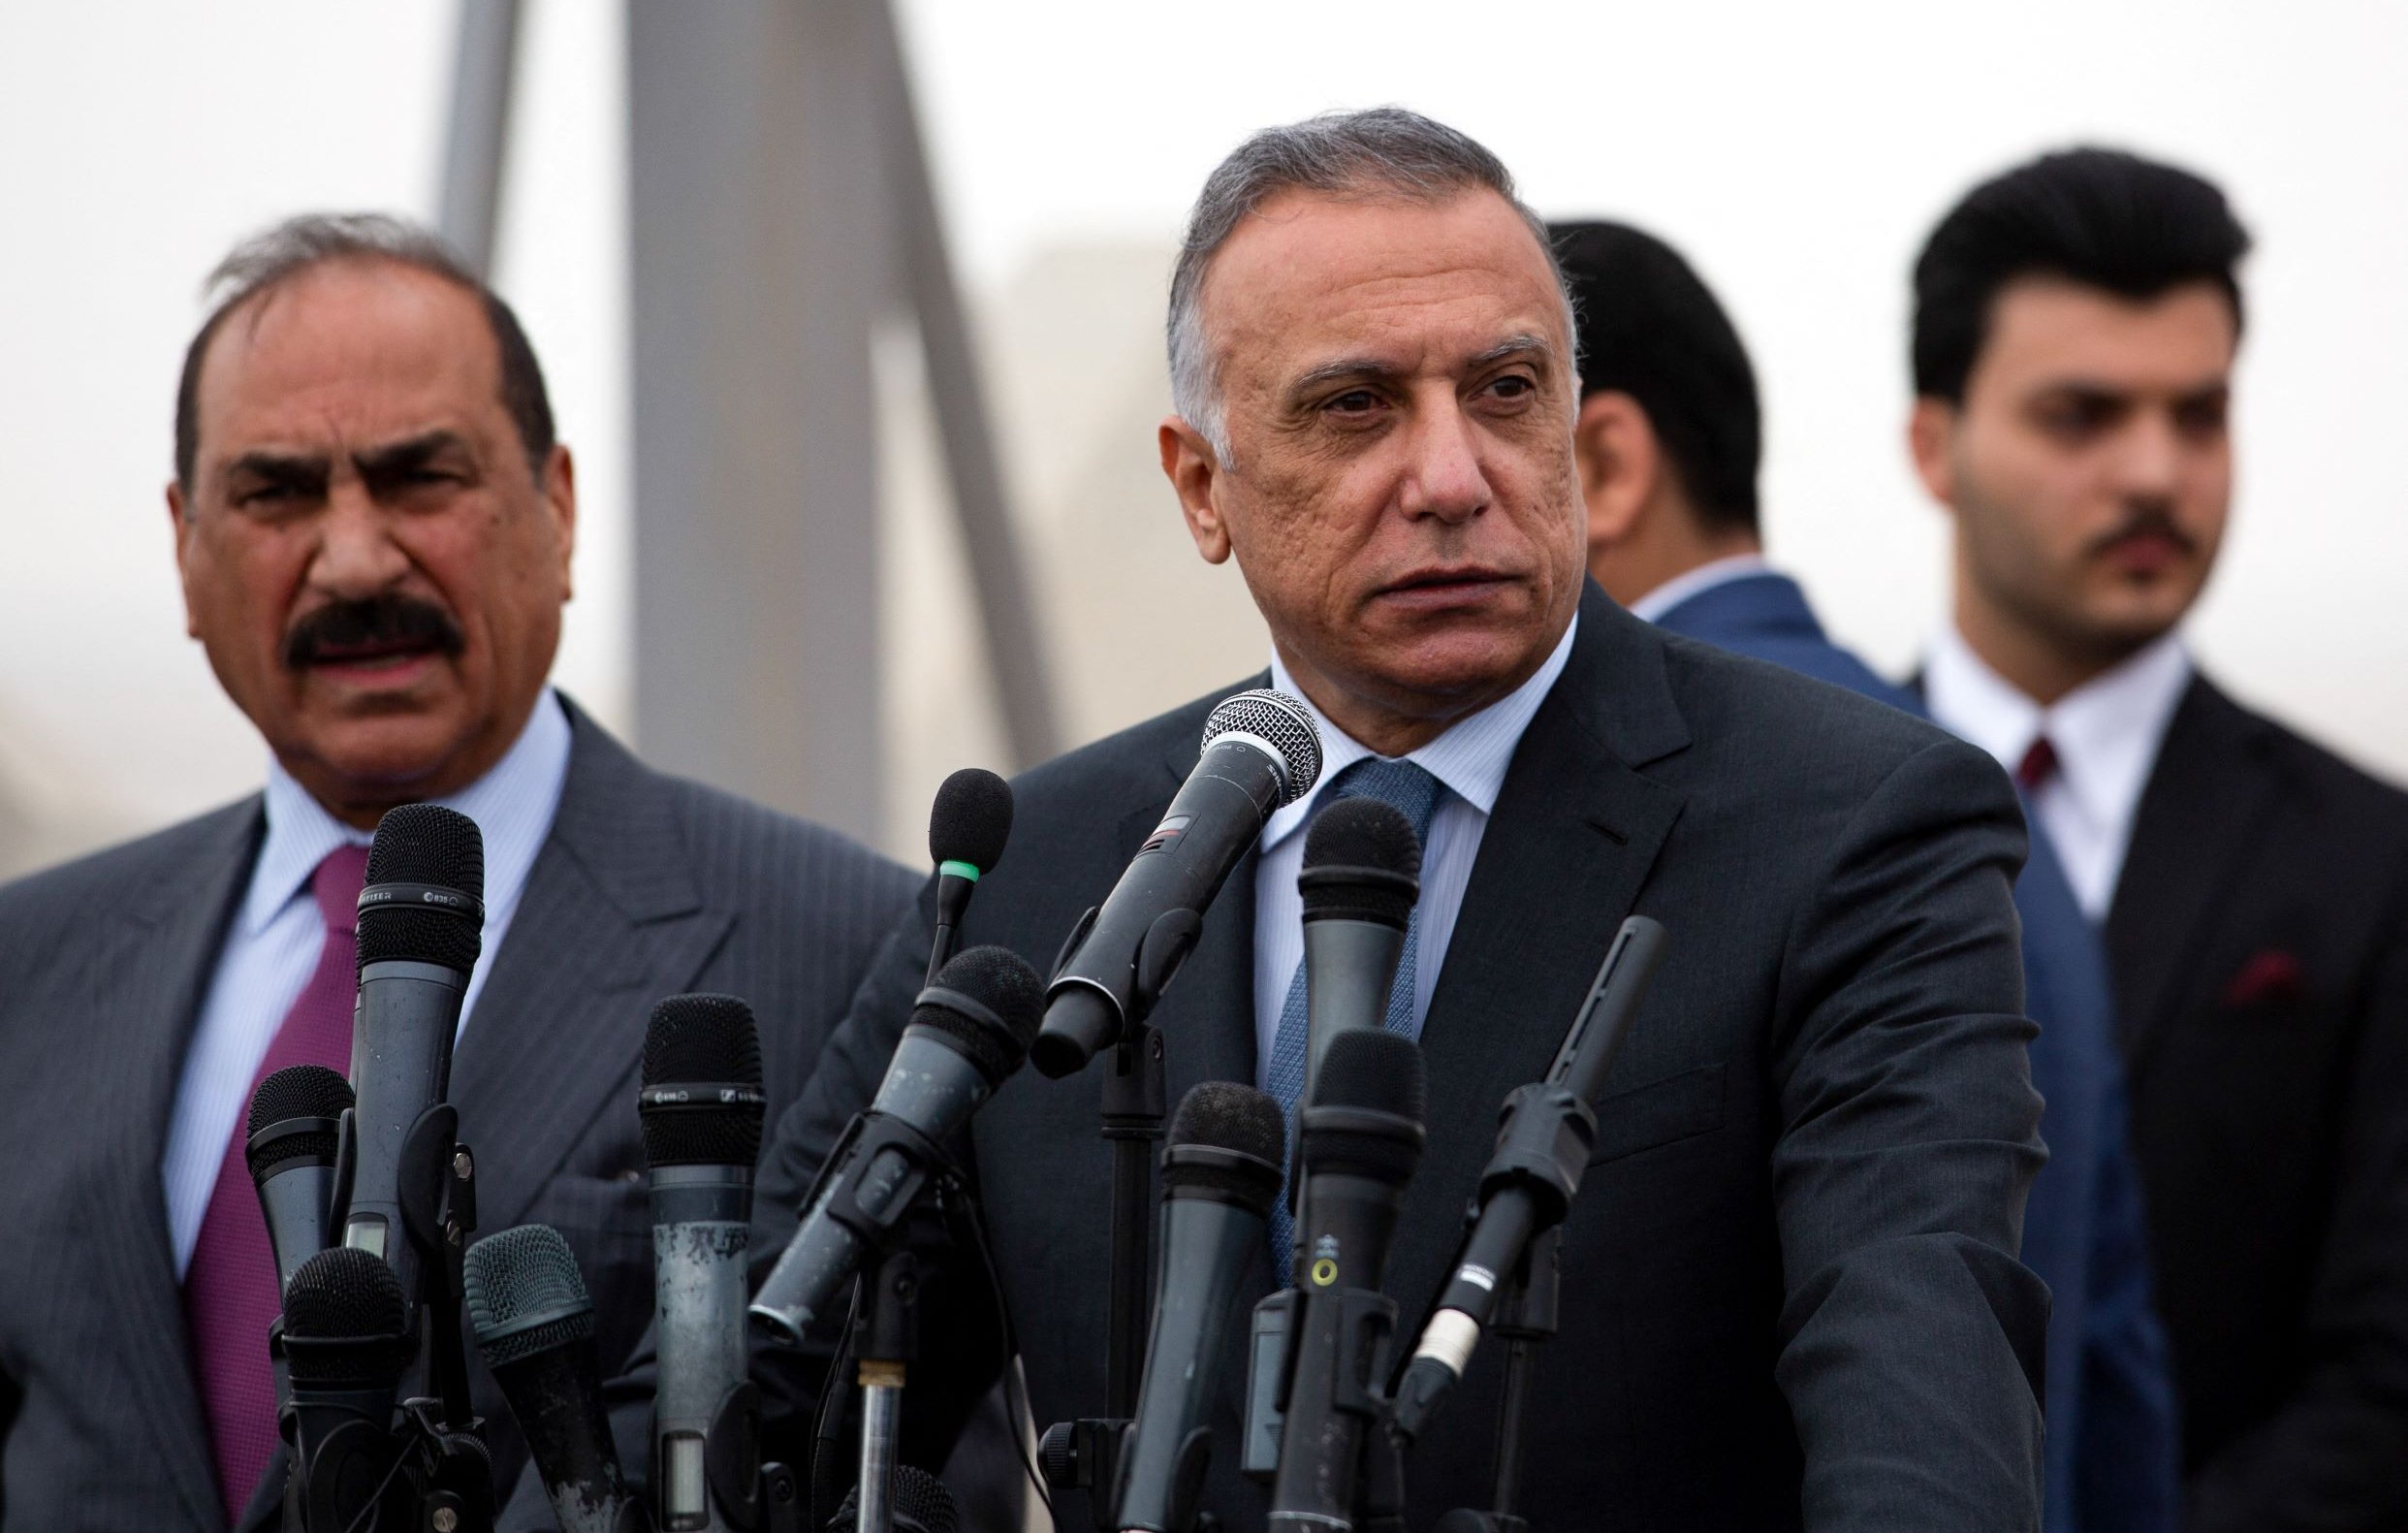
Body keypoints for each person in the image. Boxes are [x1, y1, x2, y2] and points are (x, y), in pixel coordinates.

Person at [733, 109, 2050, 1530]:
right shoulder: (1040, 872)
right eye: (1357, 406)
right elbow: (767, 1406)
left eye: (1505, 391)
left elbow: (1922, 1412)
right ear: (1201, 487)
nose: (1452, 479)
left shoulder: (1849, 827)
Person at [0, 215, 916, 1532]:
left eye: (420, 478)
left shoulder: (841, 950)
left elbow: (898, 1463)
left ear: (559, 507)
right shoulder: (30, 966)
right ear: (184, 546)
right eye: (276, 494)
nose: (356, 560)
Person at [1557, 216, 2178, 1533]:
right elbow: (2114, 1371)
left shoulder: (1664, 803)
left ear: (1603, 462)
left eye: (1498, 417)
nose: (1435, 497)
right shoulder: (1956, 786)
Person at [1908, 147, 2408, 1531]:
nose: (2155, 472)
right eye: (2081, 416)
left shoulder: (2370, 864)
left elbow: (2387, 1384)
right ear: (1934, 446)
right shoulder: (1791, 813)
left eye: (2200, 416)